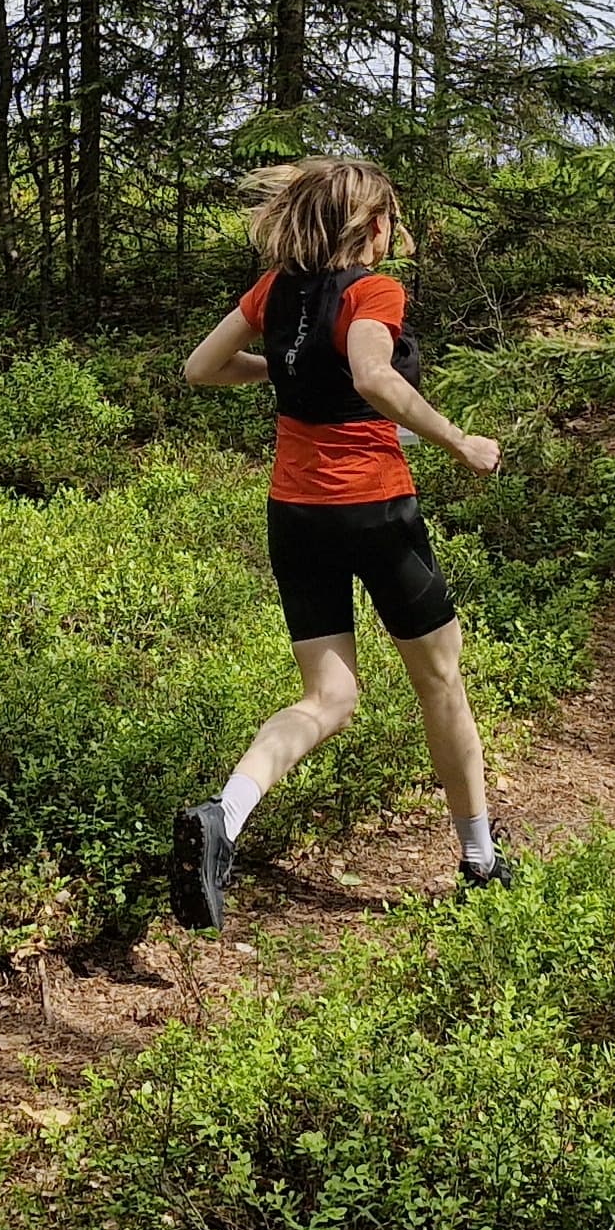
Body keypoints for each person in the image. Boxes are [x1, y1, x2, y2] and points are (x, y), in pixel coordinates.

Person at [170, 156, 510, 932]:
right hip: (375, 512)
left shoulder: (274, 289)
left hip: (296, 516)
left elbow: (200, 368)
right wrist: (460, 442)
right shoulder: (372, 290)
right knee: (440, 681)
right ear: (373, 225)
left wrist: (286, 370)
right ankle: (479, 859)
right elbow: (373, 377)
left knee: (329, 698)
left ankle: (224, 815)